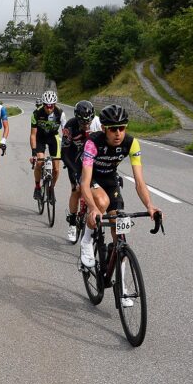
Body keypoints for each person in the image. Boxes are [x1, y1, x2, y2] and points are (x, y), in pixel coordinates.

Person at [78, 105, 161, 306]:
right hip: (90, 177)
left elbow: (140, 182)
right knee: (102, 202)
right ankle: (86, 241)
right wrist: (94, 209)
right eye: (113, 129)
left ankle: (122, 286)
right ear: (104, 128)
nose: (118, 133)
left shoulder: (132, 144)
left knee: (120, 229)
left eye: (122, 128)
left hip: (110, 179)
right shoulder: (92, 143)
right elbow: (84, 181)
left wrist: (150, 205)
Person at [60, 100, 101, 242]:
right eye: (83, 123)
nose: (86, 125)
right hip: (74, 160)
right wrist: (75, 172)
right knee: (76, 190)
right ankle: (72, 222)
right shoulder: (70, 126)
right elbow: (64, 153)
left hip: (91, 161)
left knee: (97, 190)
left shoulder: (97, 124)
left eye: (88, 122)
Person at [30, 90, 65, 202]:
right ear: (43, 104)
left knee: (56, 168)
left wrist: (66, 151)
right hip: (40, 137)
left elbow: (65, 133)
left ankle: (51, 189)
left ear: (54, 104)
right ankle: (37, 187)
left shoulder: (60, 113)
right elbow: (33, 135)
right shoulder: (36, 113)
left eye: (51, 106)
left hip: (53, 137)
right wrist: (34, 153)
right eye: (46, 106)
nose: (49, 108)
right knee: (39, 162)